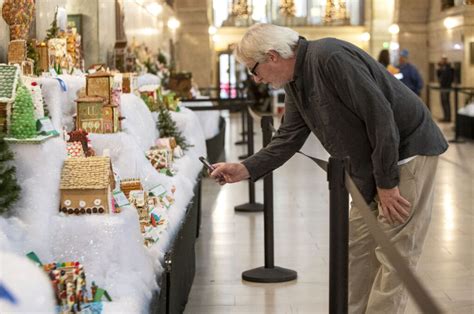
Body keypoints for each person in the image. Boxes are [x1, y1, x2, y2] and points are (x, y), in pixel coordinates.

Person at [209, 24, 448, 314]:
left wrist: (386, 183)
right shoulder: (296, 81)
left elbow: (380, 117)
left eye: (253, 69)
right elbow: (287, 138)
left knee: (394, 255)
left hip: (406, 156)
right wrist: (245, 168)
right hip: (367, 168)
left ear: (272, 56)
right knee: (357, 251)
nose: (256, 78)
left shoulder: (331, 57)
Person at [436, 56, 455, 122]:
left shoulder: (449, 68)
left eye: (443, 60)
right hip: (442, 87)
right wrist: (439, 68)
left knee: (446, 102)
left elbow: (449, 78)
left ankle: (447, 118)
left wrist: (446, 85)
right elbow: (438, 76)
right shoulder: (442, 68)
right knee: (443, 102)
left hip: (446, 88)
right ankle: (445, 117)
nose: (442, 61)